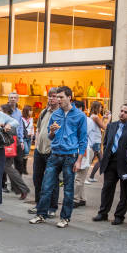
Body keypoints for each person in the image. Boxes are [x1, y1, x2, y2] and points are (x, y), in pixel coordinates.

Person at [29, 86, 87, 228]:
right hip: (54, 155)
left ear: (69, 97)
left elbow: (83, 140)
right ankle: (41, 214)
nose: (58, 100)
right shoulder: (56, 114)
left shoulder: (79, 116)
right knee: (46, 186)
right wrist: (52, 131)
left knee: (68, 189)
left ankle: (65, 218)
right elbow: (50, 135)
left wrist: (79, 161)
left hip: (70, 156)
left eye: (61, 97)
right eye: (57, 97)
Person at [93, 104, 127, 225]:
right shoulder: (111, 126)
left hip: (126, 164)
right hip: (110, 162)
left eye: (126, 112)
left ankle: (119, 215)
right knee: (107, 188)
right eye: (121, 111)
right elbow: (106, 143)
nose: (122, 113)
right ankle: (103, 213)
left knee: (125, 192)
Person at [29, 88, 60, 217]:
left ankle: (52, 207)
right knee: (37, 178)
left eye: (54, 96)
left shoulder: (60, 113)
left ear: (59, 98)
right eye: (50, 96)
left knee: (52, 180)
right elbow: (40, 129)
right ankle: (39, 204)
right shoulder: (43, 112)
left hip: (51, 152)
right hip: (39, 150)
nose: (51, 98)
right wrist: (36, 145)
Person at [0, 104, 30, 200]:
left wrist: (2, 129)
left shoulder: (9, 121)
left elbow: (11, 133)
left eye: (1, 111)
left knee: (7, 167)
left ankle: (23, 188)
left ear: (6, 112)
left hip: (10, 147)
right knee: (7, 168)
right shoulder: (6, 120)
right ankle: (20, 189)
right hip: (9, 147)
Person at [73, 100, 93, 208]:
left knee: (79, 177)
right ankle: (82, 198)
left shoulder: (86, 120)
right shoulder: (79, 118)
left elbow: (82, 136)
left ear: (81, 108)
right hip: (79, 148)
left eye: (75, 108)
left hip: (83, 149)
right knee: (80, 176)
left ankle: (75, 199)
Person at [86, 101, 110, 183]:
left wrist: (103, 118)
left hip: (96, 140)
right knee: (96, 160)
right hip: (95, 141)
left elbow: (98, 125)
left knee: (96, 160)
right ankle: (86, 177)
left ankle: (91, 176)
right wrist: (109, 118)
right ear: (97, 107)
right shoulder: (95, 117)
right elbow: (104, 127)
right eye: (100, 107)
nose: (101, 108)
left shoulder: (94, 116)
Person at [7, 92, 26, 174]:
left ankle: (16, 185)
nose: (13, 99)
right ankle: (3, 185)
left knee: (19, 162)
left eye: (15, 98)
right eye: (11, 97)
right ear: (8, 99)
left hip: (17, 140)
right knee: (6, 163)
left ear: (17, 99)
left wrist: (21, 140)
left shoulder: (19, 112)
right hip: (7, 140)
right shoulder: (4, 111)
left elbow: (21, 126)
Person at [21, 105, 34, 175]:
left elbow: (32, 128)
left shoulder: (31, 119)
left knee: (27, 153)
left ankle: (23, 168)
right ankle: (23, 169)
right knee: (26, 151)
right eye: (30, 110)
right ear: (26, 111)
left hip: (29, 137)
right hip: (24, 137)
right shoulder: (21, 119)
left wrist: (32, 136)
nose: (31, 112)